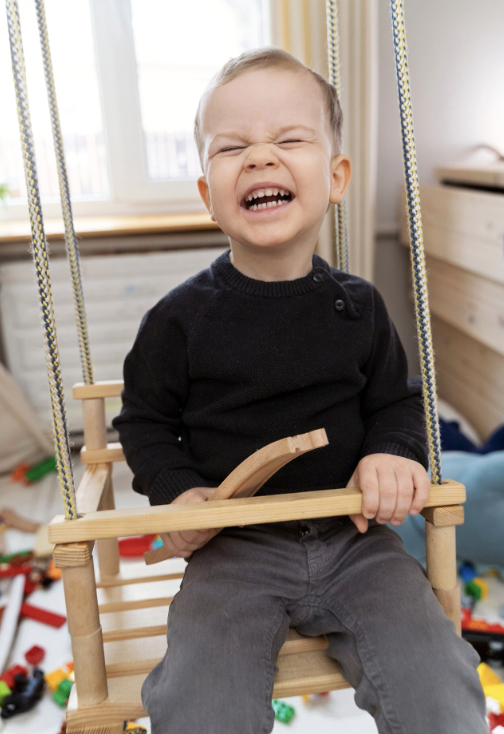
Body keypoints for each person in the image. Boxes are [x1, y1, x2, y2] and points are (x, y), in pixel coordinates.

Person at [113, 47, 487, 734]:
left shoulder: (360, 307)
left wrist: (394, 451)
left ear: (336, 176)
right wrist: (178, 490)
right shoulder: (177, 320)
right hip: (234, 552)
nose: (260, 158)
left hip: (359, 543)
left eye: (288, 140)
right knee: (202, 701)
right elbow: (142, 422)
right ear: (207, 194)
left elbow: (396, 403)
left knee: (439, 679)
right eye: (232, 149)